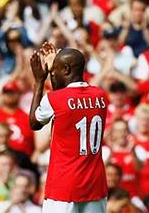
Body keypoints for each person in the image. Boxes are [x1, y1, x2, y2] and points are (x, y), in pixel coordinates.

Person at [29, 43, 108, 212]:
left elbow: (34, 123)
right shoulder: (100, 95)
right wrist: (55, 66)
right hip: (95, 185)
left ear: (66, 70)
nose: (53, 74)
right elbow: (65, 98)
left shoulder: (55, 99)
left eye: (54, 71)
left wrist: (39, 81)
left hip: (63, 186)